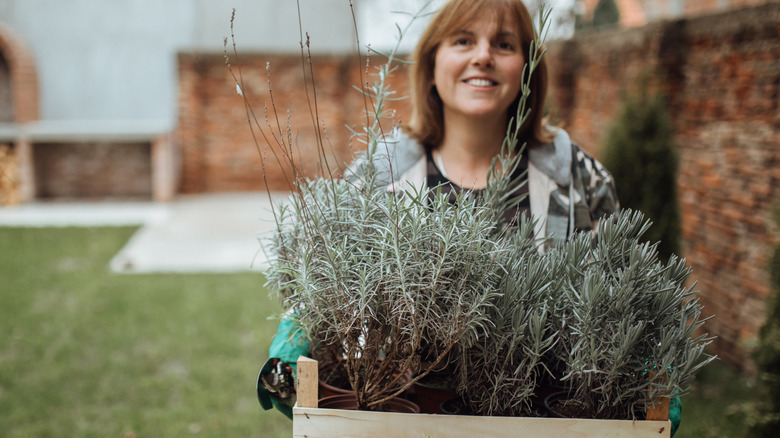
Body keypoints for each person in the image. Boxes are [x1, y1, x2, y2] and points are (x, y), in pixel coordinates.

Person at [260, 0, 678, 433]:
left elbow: (625, 296)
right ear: (433, 60)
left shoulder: (576, 178)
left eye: (503, 43)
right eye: (463, 40)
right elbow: (319, 290)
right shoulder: (375, 178)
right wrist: (295, 343)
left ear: (528, 66)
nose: (483, 56)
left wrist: (651, 367)